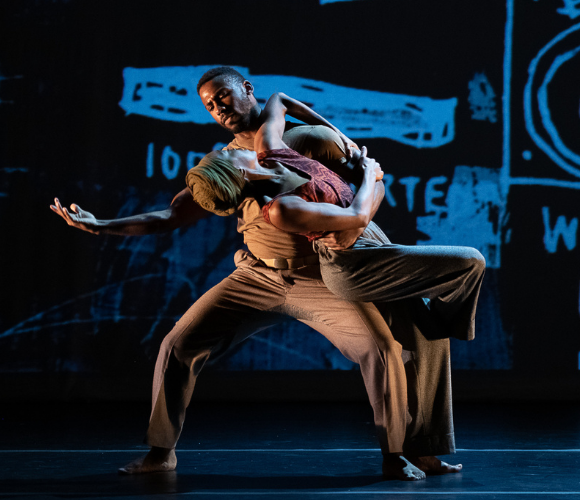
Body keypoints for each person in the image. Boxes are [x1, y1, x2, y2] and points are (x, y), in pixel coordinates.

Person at [50, 67, 462, 481]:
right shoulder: (224, 166)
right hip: (257, 277)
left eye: (223, 96)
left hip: (321, 276)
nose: (219, 108)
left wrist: (362, 171)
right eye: (210, 106)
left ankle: (397, 454)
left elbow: (363, 196)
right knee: (178, 344)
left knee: (384, 350)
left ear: (247, 89)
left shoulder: (307, 141)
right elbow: (171, 215)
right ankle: (161, 452)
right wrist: (100, 224)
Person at [188, 91, 485, 344]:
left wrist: (348, 142)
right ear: (238, 175)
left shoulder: (270, 149)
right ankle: (446, 329)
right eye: (227, 157)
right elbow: (357, 215)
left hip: (366, 243)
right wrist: (369, 174)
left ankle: (436, 329)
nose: (230, 150)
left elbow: (279, 99)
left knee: (426, 310)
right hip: (349, 268)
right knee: (469, 262)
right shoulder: (280, 209)